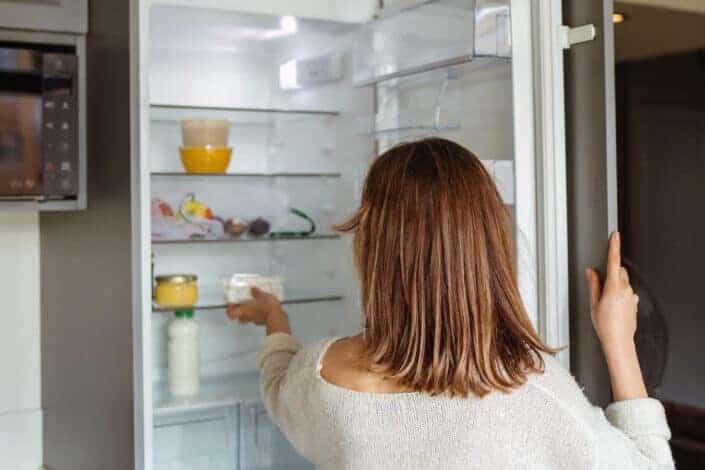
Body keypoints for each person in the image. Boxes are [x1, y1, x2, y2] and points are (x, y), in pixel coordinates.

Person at [226, 138, 673, 469]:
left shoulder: (321, 376)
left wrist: (274, 318)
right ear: (487, 248)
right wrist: (618, 339)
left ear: (373, 249)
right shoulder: (532, 392)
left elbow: (277, 385)